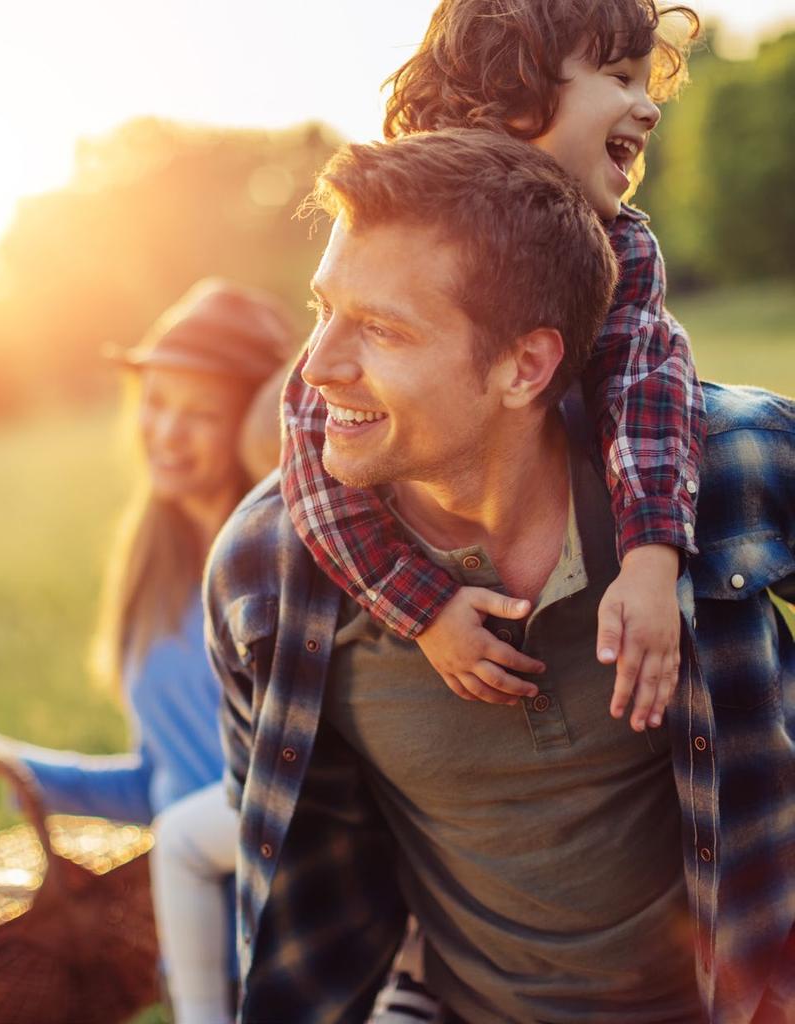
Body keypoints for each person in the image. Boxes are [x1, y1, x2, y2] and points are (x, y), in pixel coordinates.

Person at [204, 129, 795, 1022]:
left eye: (382, 328)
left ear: (526, 365)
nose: (318, 364)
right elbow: (293, 880)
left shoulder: (735, 463)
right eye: (324, 309)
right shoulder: (265, 574)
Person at [281, 0, 702, 734]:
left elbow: (648, 388)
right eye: (619, 78)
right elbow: (317, 452)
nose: (648, 109)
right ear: (515, 95)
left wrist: (649, 560)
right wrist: (424, 607)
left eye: (646, 84)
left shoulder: (623, 248)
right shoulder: (399, 236)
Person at [0, 278, 295, 1024]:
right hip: (196, 951)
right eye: (155, 404)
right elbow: (162, 783)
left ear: (252, 424)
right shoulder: (150, 571)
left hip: (286, 937)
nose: (167, 433)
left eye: (200, 415)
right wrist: (10, 762)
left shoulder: (275, 567)